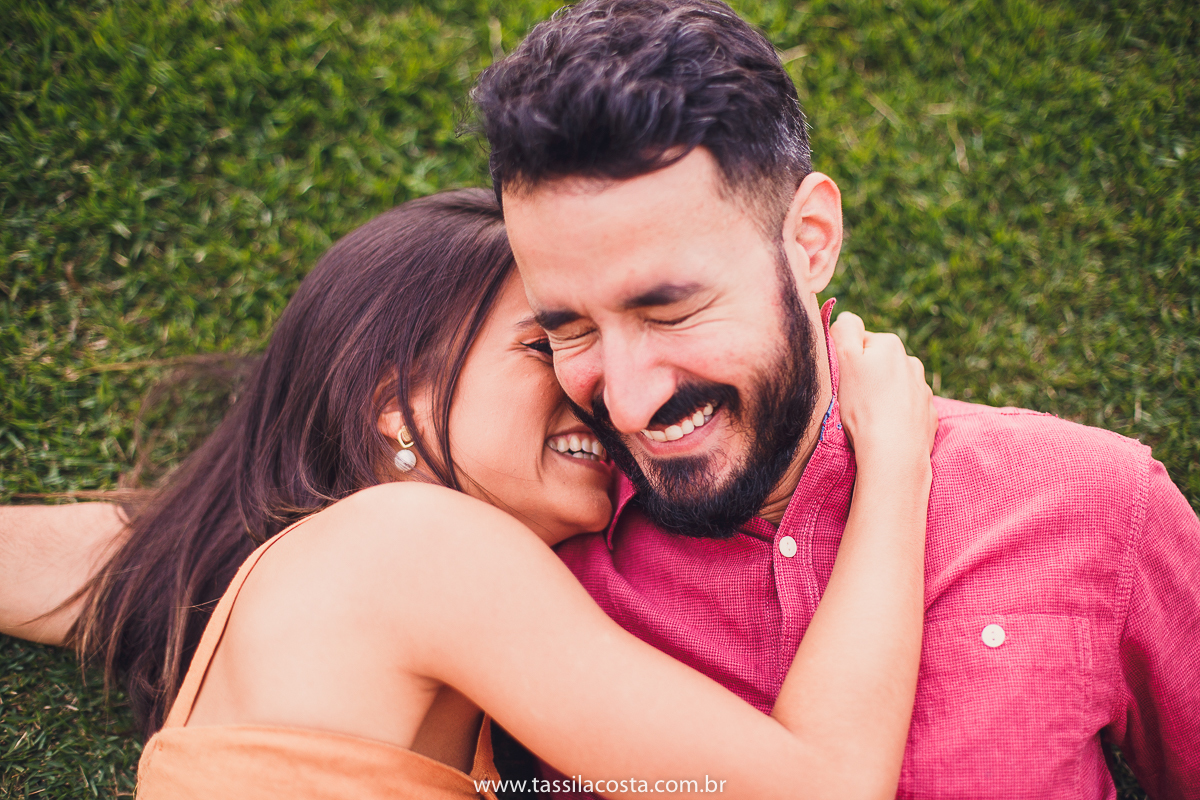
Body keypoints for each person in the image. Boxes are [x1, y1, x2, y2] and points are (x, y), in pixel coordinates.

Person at [470, 0, 1200, 797]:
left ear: (810, 239)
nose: (631, 401)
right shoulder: (536, 581)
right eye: (569, 331)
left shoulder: (1095, 503)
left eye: (670, 310)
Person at [0, 189, 939, 798]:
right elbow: (820, 791)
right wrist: (895, 465)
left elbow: (74, 557)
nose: (600, 388)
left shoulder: (319, 578)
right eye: (549, 342)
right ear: (389, 404)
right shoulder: (421, 546)